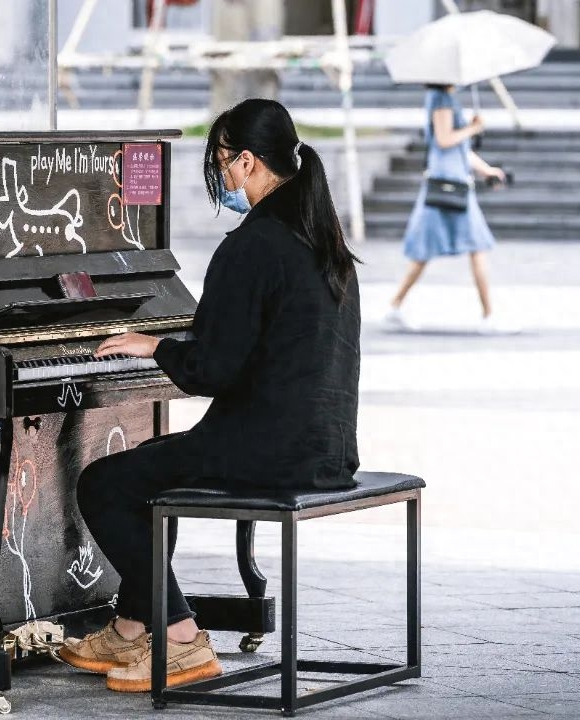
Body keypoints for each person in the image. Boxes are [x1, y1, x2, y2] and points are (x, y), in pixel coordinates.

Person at [59, 98, 362, 693]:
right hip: (325, 447)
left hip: (265, 450)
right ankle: (127, 629)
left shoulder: (253, 246)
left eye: (222, 163)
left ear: (247, 162)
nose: (220, 176)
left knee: (105, 483)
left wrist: (152, 345)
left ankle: (180, 640)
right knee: (152, 475)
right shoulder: (325, 244)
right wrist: (176, 345)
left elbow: (213, 371)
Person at [385, 85, 510, 333]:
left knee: (430, 251)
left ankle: (395, 306)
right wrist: (473, 128)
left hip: (453, 183)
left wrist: (486, 170)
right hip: (449, 185)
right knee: (473, 247)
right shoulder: (441, 98)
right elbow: (444, 140)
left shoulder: (444, 97)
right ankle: (488, 316)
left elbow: (459, 148)